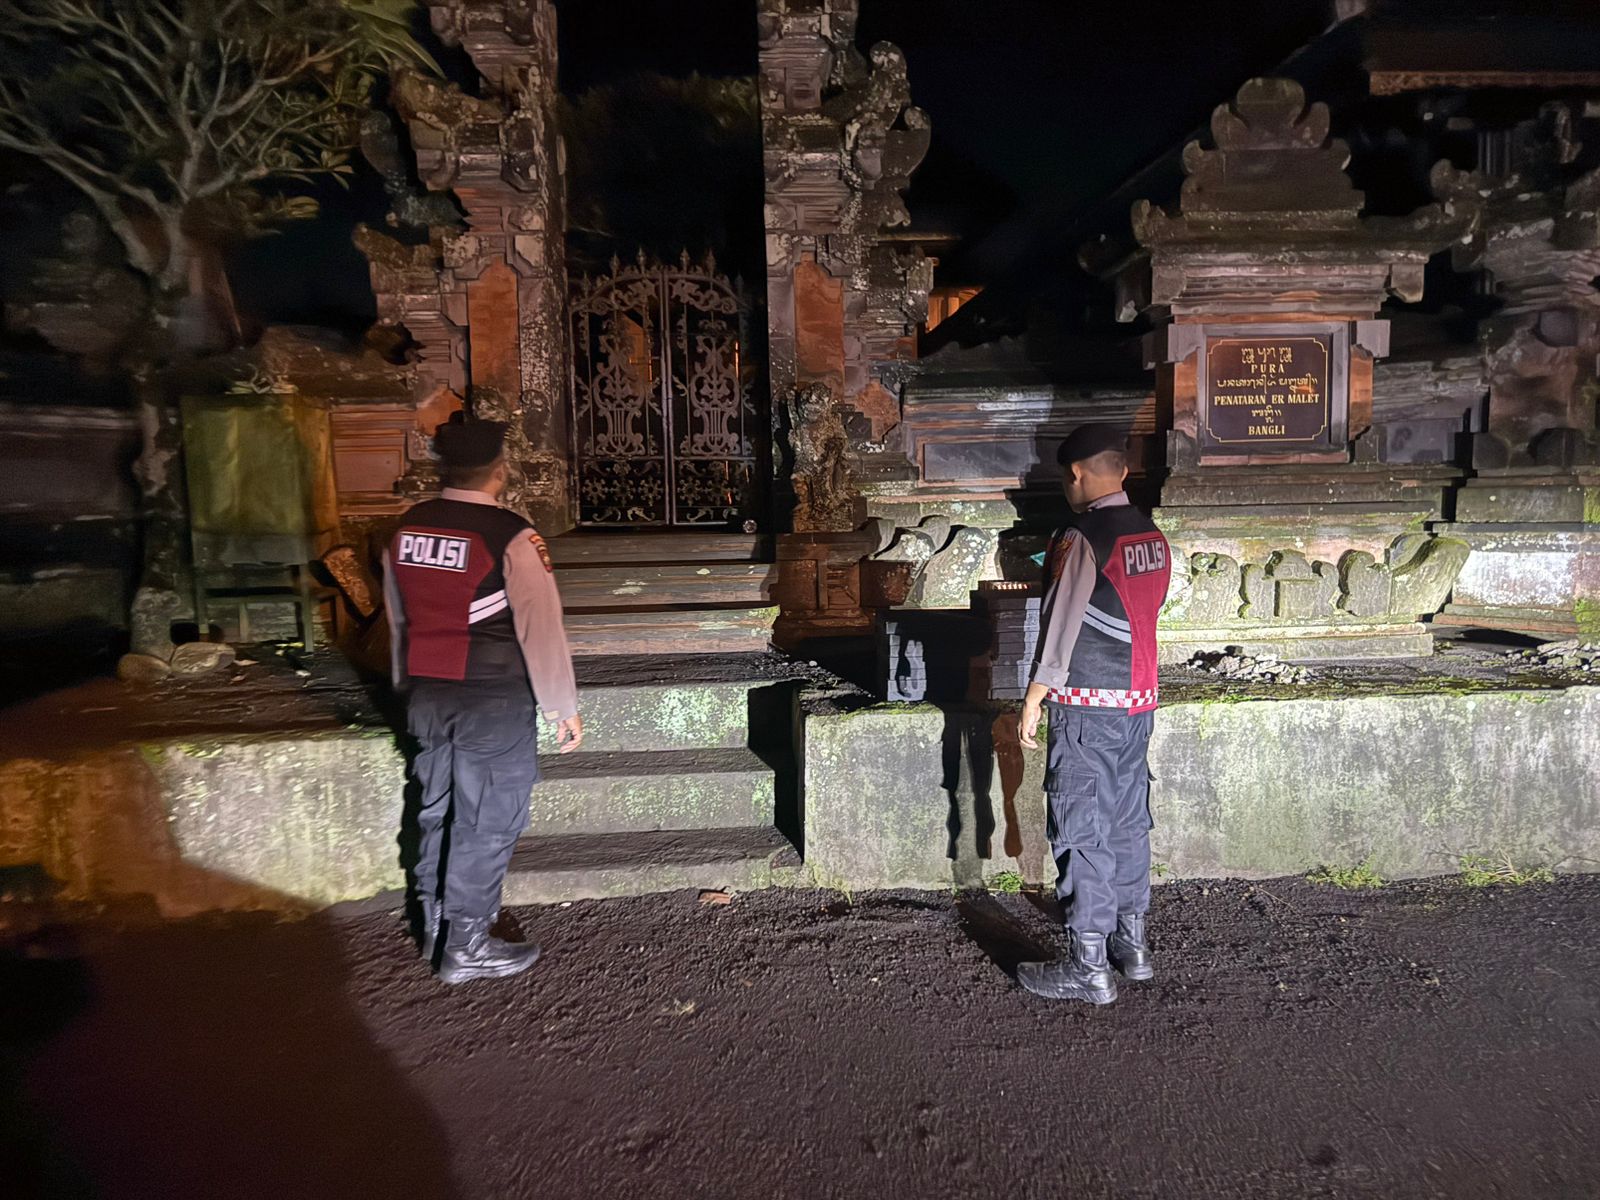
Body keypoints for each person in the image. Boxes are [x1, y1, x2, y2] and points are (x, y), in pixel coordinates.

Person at [382, 417, 583, 984]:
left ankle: (433, 925)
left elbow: (397, 618)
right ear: (500, 471)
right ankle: (466, 945)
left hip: (427, 693)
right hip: (491, 701)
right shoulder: (512, 536)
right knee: (487, 820)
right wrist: (561, 706)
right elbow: (539, 627)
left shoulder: (406, 529)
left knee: (436, 808)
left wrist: (405, 685)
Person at [1015, 424, 1172, 1005]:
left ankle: (1088, 966)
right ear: (1123, 471)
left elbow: (1061, 622)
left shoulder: (1081, 536)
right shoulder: (1151, 534)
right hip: (1139, 701)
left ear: (1076, 474)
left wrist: (1035, 695)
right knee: (1128, 820)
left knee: (1081, 826)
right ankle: (1132, 946)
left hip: (1087, 704)